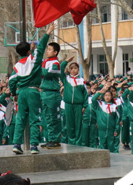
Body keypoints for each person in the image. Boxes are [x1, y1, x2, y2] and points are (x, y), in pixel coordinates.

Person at [9, 24, 55, 155]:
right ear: (29, 51)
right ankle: (34, 145)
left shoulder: (17, 65)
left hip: (21, 92)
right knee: (35, 118)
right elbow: (41, 47)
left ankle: (17, 144)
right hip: (34, 91)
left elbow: (12, 81)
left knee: (20, 119)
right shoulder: (34, 59)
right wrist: (48, 32)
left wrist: (13, 93)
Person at [60, 57, 87, 147]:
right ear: (69, 70)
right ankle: (71, 143)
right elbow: (60, 69)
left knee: (78, 125)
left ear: (78, 69)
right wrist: (66, 61)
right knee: (69, 124)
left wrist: (84, 106)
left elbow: (85, 94)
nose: (73, 70)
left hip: (78, 105)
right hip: (68, 105)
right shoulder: (66, 79)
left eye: (75, 68)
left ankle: (78, 143)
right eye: (71, 69)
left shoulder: (82, 81)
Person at [40, 42, 63, 149]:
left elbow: (47, 73)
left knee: (54, 117)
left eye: (49, 49)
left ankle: (55, 139)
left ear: (55, 52)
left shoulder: (55, 63)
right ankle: (50, 138)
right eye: (47, 49)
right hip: (45, 92)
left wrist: (38, 68)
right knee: (47, 117)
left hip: (52, 93)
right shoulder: (45, 61)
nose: (47, 51)